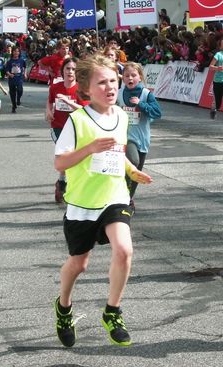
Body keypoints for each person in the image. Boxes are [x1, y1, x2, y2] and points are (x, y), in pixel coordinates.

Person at [53, 55, 152, 348]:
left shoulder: (121, 116)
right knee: (79, 264)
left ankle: (112, 311)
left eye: (113, 80)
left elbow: (116, 153)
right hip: (83, 202)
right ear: (86, 88)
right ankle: (63, 307)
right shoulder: (77, 121)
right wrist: (91, 147)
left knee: (124, 250)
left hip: (114, 196)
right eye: (102, 82)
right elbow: (60, 163)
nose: (110, 87)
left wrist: (132, 170)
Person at [117, 62, 161, 205]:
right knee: (133, 162)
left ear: (140, 77)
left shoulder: (146, 94)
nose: (130, 78)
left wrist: (141, 104)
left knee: (137, 173)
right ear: (122, 78)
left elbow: (157, 113)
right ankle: (121, 194)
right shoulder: (118, 94)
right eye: (127, 75)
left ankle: (128, 198)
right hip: (125, 137)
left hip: (142, 137)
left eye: (133, 75)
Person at [46, 57, 88, 203]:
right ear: (62, 70)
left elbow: (84, 109)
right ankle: (65, 184)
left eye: (73, 69)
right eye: (68, 68)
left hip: (75, 128)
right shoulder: (55, 87)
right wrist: (48, 111)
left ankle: (62, 182)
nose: (70, 71)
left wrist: (68, 102)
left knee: (71, 158)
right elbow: (50, 101)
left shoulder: (81, 89)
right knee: (66, 154)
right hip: (58, 127)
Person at [4, 46, 27, 113]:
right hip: (12, 79)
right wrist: (10, 74)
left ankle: (18, 99)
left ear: (19, 52)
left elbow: (24, 67)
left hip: (19, 78)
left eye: (17, 51)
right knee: (12, 93)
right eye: (14, 51)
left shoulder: (22, 60)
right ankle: (14, 106)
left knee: (20, 90)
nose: (16, 53)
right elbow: (7, 70)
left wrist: (25, 74)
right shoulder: (9, 61)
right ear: (12, 52)